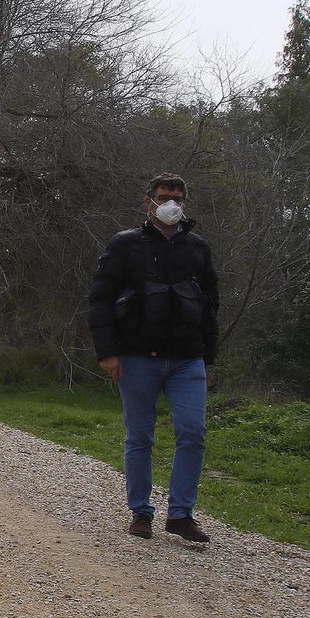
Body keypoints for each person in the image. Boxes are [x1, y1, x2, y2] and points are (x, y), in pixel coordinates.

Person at [86, 173, 219, 543]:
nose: (171, 204)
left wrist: (207, 353)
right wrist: (108, 352)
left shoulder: (197, 247)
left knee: (193, 432)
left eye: (178, 197)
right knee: (140, 436)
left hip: (187, 359)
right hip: (137, 357)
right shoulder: (125, 244)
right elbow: (100, 300)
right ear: (148, 202)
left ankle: (181, 514)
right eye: (164, 196)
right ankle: (141, 511)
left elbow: (210, 303)